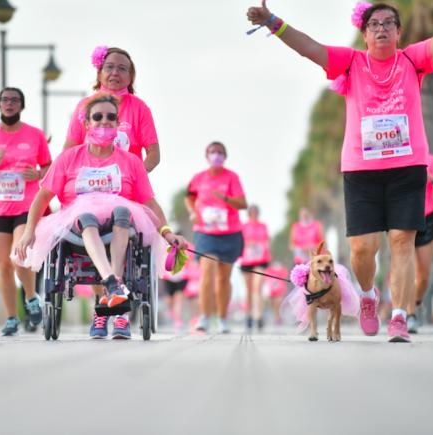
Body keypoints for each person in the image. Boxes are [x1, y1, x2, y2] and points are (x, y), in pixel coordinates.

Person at [247, 0, 433, 342]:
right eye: (374, 24)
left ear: (398, 31)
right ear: (364, 33)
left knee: (401, 241)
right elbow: (310, 48)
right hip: (361, 172)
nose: (381, 28)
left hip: (407, 167)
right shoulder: (351, 62)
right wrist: (273, 22)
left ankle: (398, 317)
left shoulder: (412, 59)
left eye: (389, 23)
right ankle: (367, 297)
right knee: (363, 250)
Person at [14, 94, 185, 340]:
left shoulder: (131, 161)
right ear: (86, 124)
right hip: (79, 223)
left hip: (119, 223)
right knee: (86, 213)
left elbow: (150, 203)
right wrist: (29, 231)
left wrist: (167, 233)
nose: (104, 122)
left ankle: (112, 296)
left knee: (123, 210)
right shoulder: (68, 158)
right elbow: (41, 198)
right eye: (98, 117)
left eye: (111, 118)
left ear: (117, 125)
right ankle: (113, 285)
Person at [0, 87, 51, 336]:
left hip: (26, 205)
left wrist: (38, 174)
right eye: (5, 100)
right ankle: (12, 318)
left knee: (19, 255)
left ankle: (30, 297)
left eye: (15, 100)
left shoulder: (35, 135)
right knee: (3, 264)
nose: (9, 104)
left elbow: (50, 168)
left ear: (21, 106)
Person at [63, 46, 160, 172]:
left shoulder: (140, 108)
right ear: (99, 73)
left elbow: (154, 154)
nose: (115, 72)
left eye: (122, 68)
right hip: (88, 184)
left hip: (126, 186)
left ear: (130, 77)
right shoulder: (85, 105)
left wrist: (137, 175)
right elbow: (69, 150)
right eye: (109, 67)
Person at [185, 141, 247, 333]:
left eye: (220, 152)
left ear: (225, 156)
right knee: (208, 270)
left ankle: (222, 318)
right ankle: (204, 317)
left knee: (223, 279)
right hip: (206, 232)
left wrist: (225, 198)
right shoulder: (199, 178)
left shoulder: (232, 177)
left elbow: (243, 204)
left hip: (230, 233)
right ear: (207, 155)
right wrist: (192, 211)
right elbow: (189, 196)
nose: (216, 155)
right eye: (213, 152)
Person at [407, 153, 433, 333]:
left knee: (423, 276)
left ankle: (416, 303)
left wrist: (431, 178)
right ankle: (409, 315)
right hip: (403, 218)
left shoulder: (431, 160)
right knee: (405, 269)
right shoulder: (398, 157)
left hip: (427, 218)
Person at [239, 205, 271, 331]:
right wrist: (248, 244)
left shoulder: (263, 226)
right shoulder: (244, 226)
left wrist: (265, 249)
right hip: (246, 260)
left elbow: (267, 241)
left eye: (256, 212)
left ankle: (258, 316)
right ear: (249, 213)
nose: (254, 214)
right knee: (248, 290)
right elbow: (239, 241)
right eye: (252, 212)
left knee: (257, 289)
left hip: (261, 260)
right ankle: (249, 315)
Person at [264, 261, 289, 325]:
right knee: (272, 304)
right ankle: (276, 316)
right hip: (271, 290)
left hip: (280, 289)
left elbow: (285, 278)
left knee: (277, 303)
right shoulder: (268, 270)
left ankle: (278, 317)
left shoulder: (283, 270)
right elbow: (265, 278)